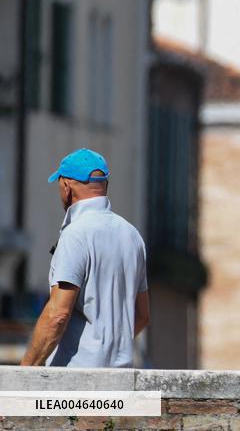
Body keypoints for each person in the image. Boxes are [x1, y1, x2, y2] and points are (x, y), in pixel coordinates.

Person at [20, 148, 149, 367]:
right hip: (120, 382)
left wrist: (23, 374)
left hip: (76, 384)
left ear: (66, 186)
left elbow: (58, 314)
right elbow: (142, 315)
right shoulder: (132, 235)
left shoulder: (76, 234)